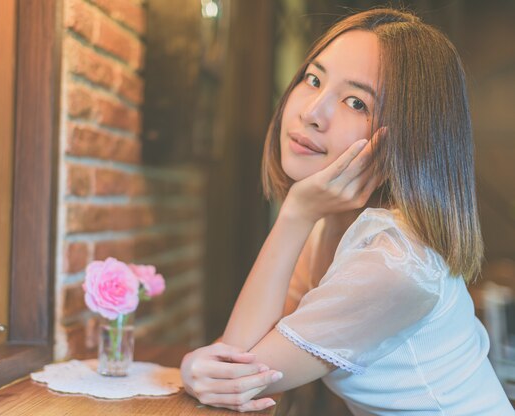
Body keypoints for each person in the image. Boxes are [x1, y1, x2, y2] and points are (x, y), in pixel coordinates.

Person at [180, 7, 515, 415]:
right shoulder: (334, 223)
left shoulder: (396, 263)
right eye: (314, 79)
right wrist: (202, 367)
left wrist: (295, 213)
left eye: (356, 102)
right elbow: (241, 357)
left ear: (406, 139)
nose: (312, 112)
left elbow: (238, 376)